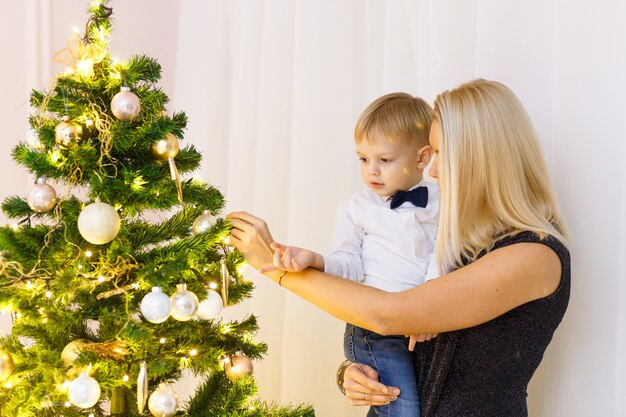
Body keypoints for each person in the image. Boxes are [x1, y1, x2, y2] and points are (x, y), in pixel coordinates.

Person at [227, 79, 570, 417]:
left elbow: (391, 314)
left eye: (439, 153)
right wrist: (354, 373)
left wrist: (274, 267)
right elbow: (412, 345)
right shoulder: (458, 241)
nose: (431, 170)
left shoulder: (535, 254)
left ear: (481, 157)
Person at [260, 92, 439, 417]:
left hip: (421, 323)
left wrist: (428, 308)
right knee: (404, 407)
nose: (372, 171)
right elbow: (349, 267)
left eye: (384, 160)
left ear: (422, 157)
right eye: (363, 159)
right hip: (373, 330)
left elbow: (445, 256)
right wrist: (315, 260)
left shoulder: (442, 202)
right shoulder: (355, 210)